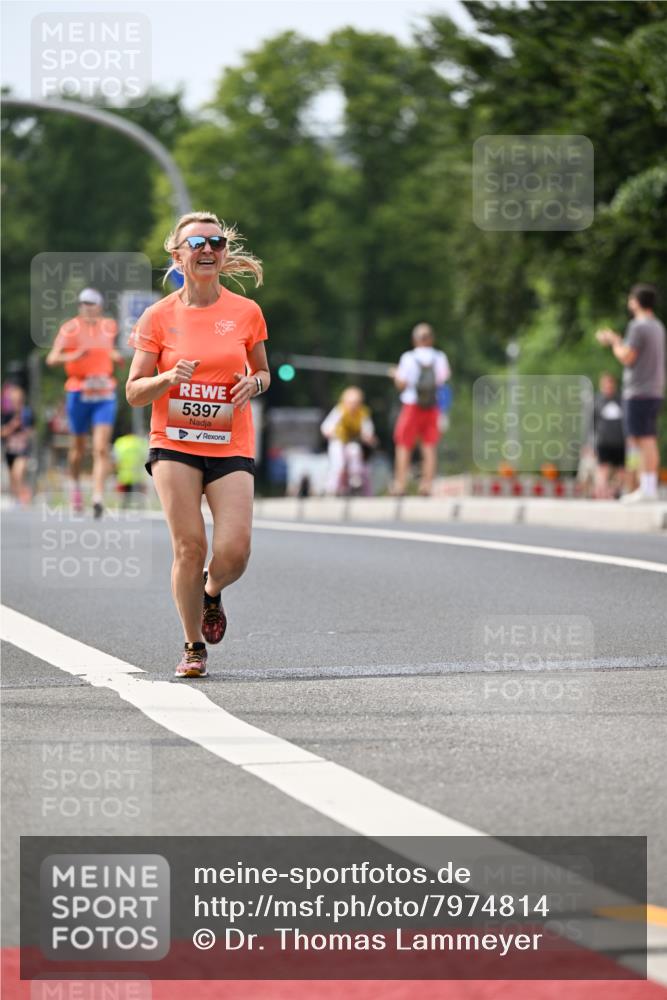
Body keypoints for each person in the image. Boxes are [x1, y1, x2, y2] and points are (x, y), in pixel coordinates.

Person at [126, 211, 269, 679]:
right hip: (174, 442)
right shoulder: (158, 316)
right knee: (189, 546)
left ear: (223, 254)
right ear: (177, 255)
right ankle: (192, 645)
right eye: (197, 243)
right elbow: (133, 390)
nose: (208, 249)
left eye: (216, 242)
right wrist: (167, 376)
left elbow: (263, 369)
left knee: (235, 552)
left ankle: (211, 591)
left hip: (230, 442)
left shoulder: (246, 312)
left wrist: (257, 385)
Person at [46, 288, 123, 518]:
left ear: (99, 307)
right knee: (78, 448)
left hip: (104, 391)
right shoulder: (70, 328)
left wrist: (115, 357)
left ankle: (98, 497)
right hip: (78, 391)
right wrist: (74, 356)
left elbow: (109, 350)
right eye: (82, 303)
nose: (86, 307)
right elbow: (52, 358)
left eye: (90, 303)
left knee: (101, 447)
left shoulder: (109, 326)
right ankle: (76, 488)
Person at [596, 283, 665, 503]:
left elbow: (627, 357)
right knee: (646, 438)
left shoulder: (638, 326)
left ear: (636, 302)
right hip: (654, 389)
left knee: (643, 440)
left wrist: (614, 342)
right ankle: (645, 485)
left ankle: (646, 488)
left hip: (638, 391)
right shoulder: (657, 326)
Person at [391, 322, 450, 496]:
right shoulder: (439, 357)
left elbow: (401, 384)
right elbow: (442, 380)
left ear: (415, 339)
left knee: (404, 444)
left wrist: (395, 375)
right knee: (429, 445)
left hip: (412, 405)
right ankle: (426, 485)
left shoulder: (408, 358)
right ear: (431, 339)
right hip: (432, 405)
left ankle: (400, 484)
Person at [320, 386, 377, 495]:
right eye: (351, 402)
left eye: (356, 402)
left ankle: (355, 481)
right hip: (338, 441)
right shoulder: (339, 411)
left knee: (355, 452)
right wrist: (330, 432)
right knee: (338, 463)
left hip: (353, 442)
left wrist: (369, 437)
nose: (353, 405)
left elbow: (368, 430)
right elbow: (326, 427)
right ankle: (332, 488)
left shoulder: (362, 413)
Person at [591, 372, 626, 499]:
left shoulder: (621, 400)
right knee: (602, 469)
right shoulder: (596, 401)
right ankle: (602, 494)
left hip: (620, 441)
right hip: (603, 441)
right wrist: (589, 444)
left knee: (622, 470)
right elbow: (590, 424)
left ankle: (615, 491)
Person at [1, 382, 34, 505]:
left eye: (19, 400)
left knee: (18, 473)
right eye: (14, 400)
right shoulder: (6, 415)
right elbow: (2, 433)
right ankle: (18, 498)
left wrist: (26, 430)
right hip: (10, 450)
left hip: (22, 450)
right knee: (13, 478)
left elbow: (32, 433)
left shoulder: (28, 414)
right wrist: (11, 426)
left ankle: (23, 498)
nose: (17, 403)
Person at [112, 432, 148, 506]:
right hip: (138, 477)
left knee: (121, 504)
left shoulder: (120, 442)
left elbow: (115, 462)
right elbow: (146, 458)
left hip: (123, 478)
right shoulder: (140, 442)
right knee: (140, 504)